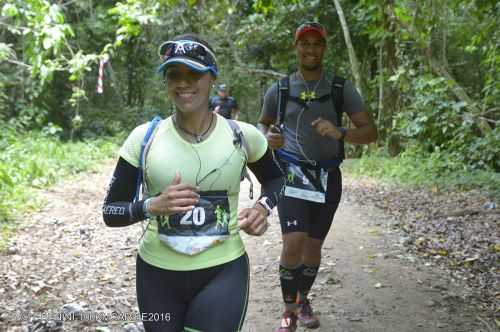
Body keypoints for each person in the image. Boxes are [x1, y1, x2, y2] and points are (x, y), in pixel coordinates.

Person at [103, 33, 284, 332]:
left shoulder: (242, 135)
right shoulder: (144, 139)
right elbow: (110, 212)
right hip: (156, 275)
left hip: (223, 270)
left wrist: (263, 208)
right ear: (166, 82)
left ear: (212, 78)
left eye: (194, 73)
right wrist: (151, 206)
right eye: (174, 74)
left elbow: (277, 179)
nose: (183, 83)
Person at [258, 22, 378, 331]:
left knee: (312, 248)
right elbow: (263, 125)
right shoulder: (281, 89)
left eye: (316, 44)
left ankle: (302, 299)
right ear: (295, 47)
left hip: (327, 176)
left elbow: (370, 131)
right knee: (293, 243)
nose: (310, 49)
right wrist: (269, 137)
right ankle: (288, 312)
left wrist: (341, 132)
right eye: (304, 43)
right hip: (292, 174)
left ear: (324, 49)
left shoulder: (340, 88)